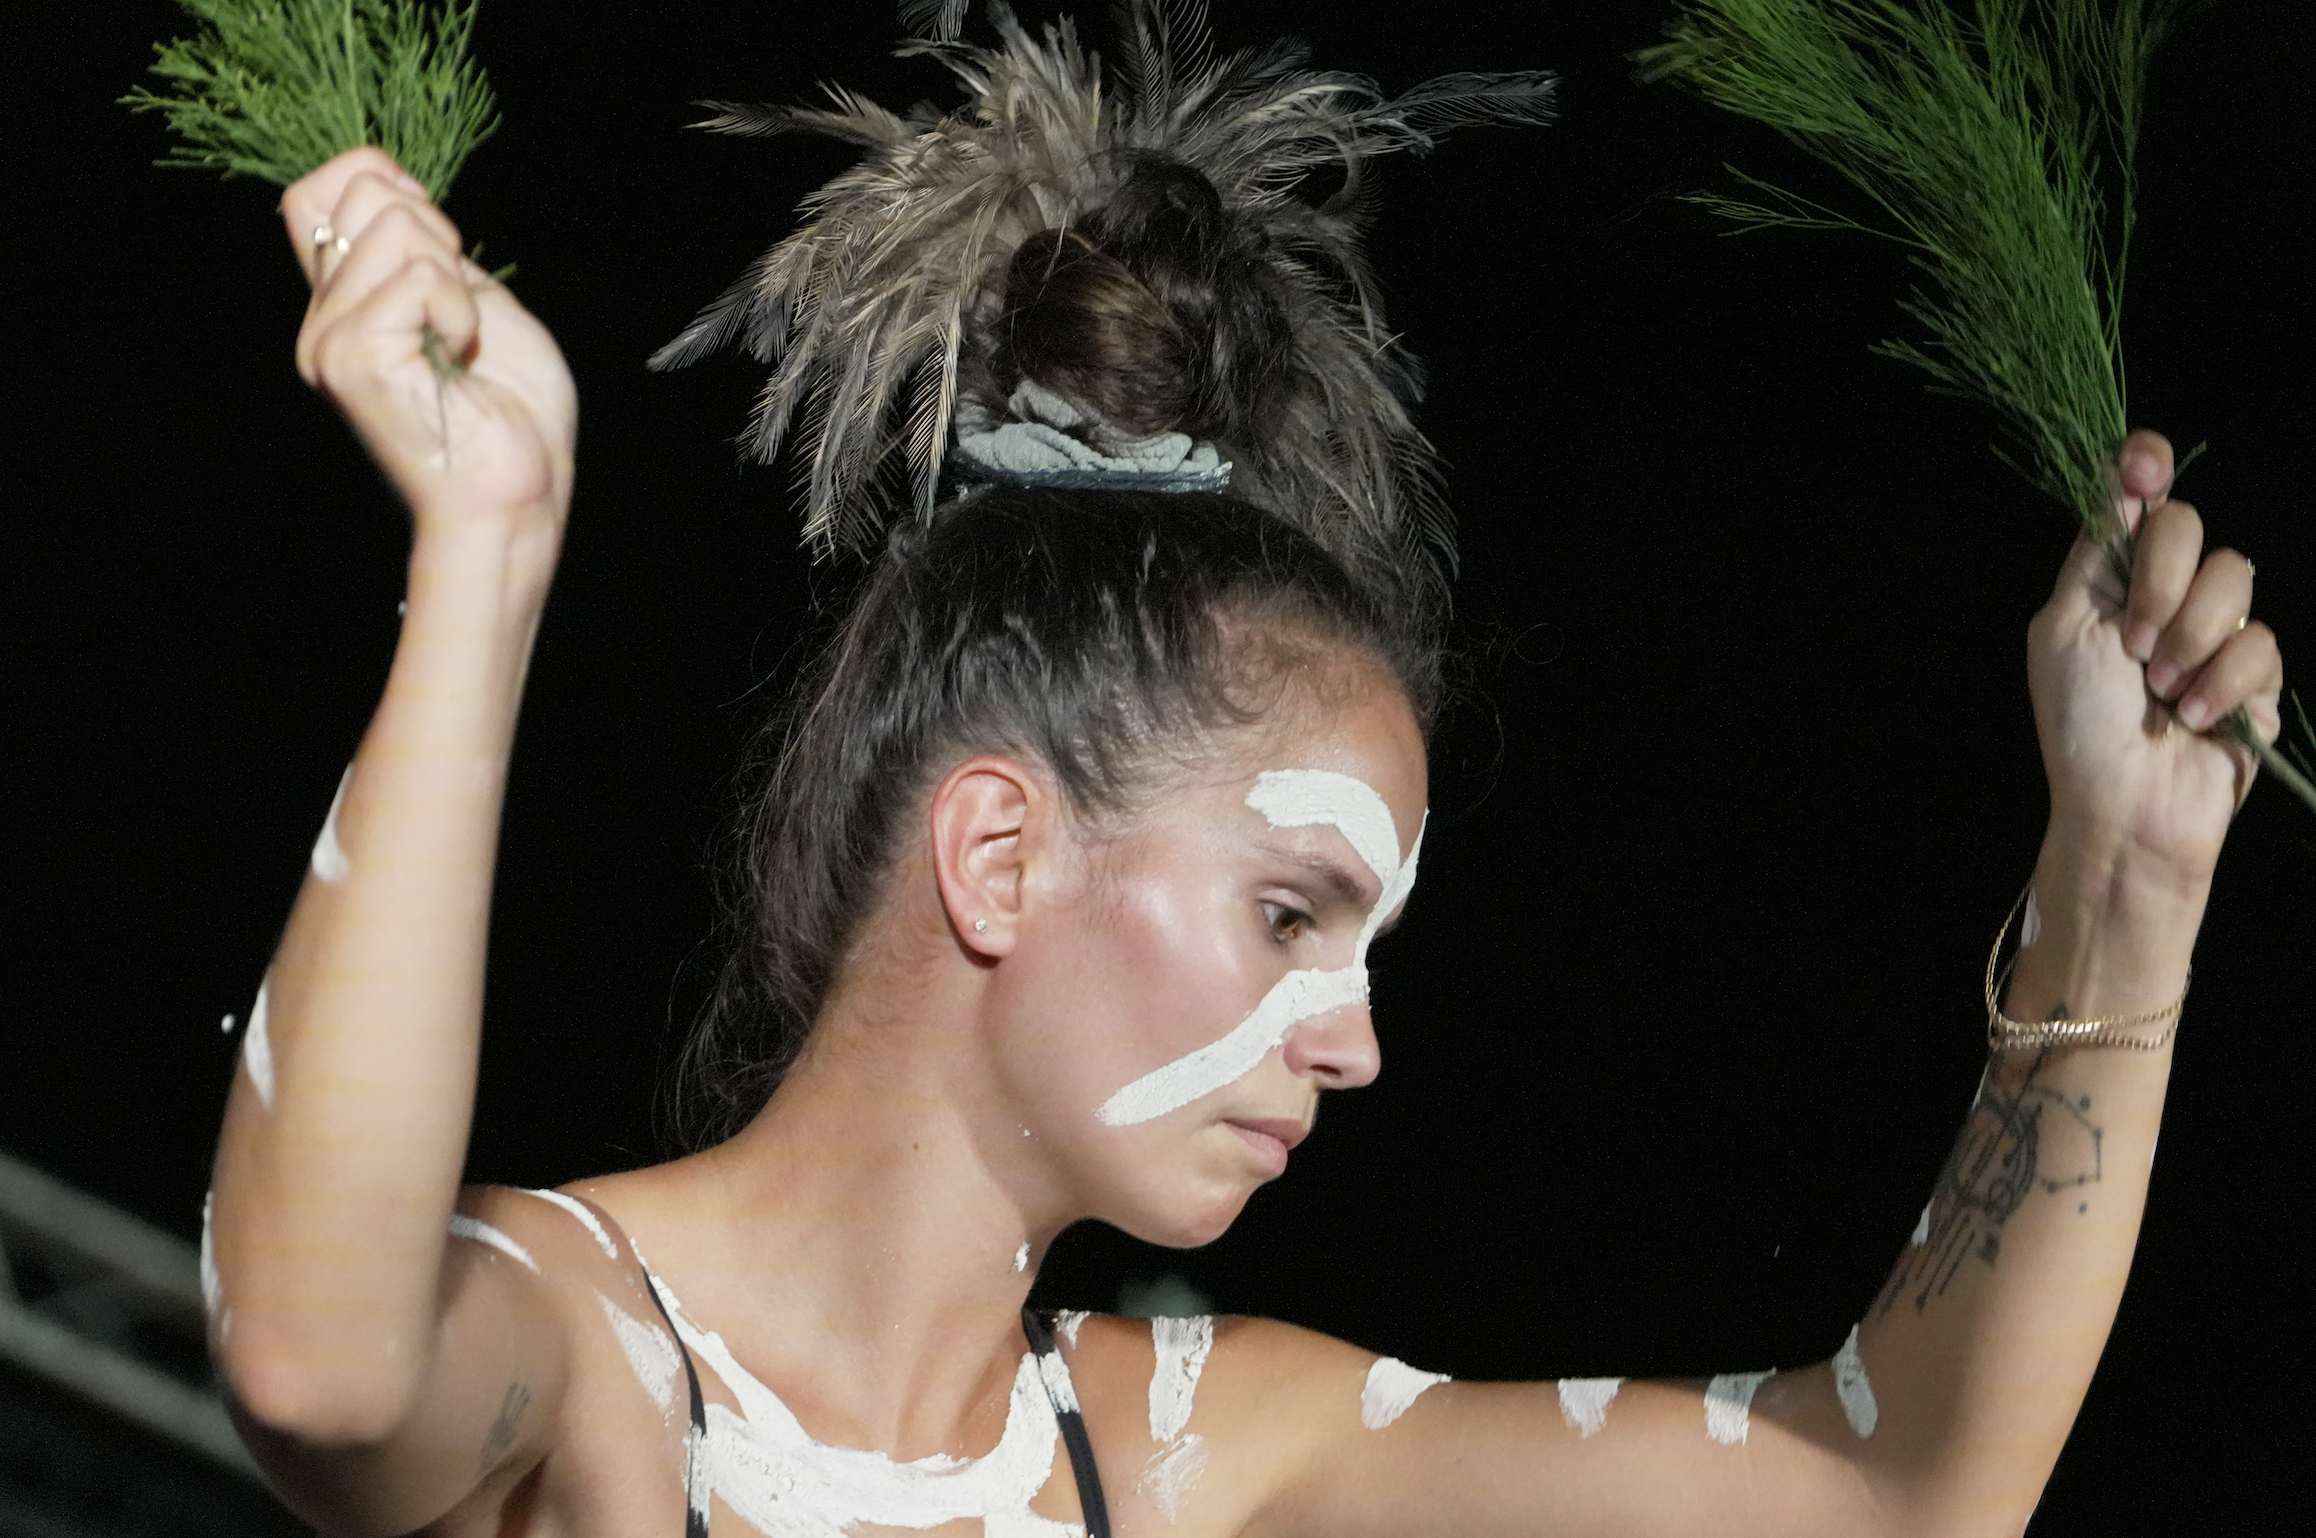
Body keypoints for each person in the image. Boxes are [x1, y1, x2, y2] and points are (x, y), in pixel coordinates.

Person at [204, 35, 2284, 1538]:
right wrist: (483, 563)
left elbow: (1901, 1492)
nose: (1357, 1039)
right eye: (1292, 911)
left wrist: (2129, 882)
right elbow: (318, 1367)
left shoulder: (1202, 1458)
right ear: (999, 851)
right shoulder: (583, 1347)